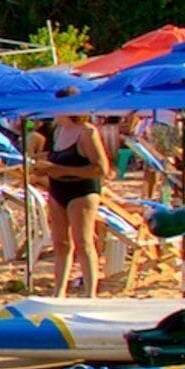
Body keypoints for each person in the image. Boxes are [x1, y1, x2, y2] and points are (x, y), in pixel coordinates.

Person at [36, 114, 113, 297]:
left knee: (83, 242)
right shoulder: (58, 131)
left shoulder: (87, 132)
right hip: (57, 189)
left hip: (82, 191)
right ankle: (59, 292)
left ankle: (90, 293)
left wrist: (61, 170)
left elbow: (101, 169)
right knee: (61, 243)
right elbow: (58, 160)